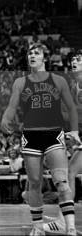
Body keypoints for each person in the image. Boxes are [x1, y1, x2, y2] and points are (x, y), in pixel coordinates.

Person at [1, 43, 79, 235]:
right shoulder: (20, 82)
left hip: (53, 134)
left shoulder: (58, 80)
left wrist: (75, 131)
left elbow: (71, 108)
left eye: (36, 53)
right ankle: (37, 227)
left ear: (44, 58)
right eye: (30, 53)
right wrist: (6, 118)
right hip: (31, 135)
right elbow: (12, 106)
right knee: (34, 182)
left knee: (62, 181)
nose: (32, 55)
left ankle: (69, 227)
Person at [44, 49, 82, 234]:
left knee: (70, 172)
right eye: (73, 59)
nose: (75, 62)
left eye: (79, 59)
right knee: (70, 172)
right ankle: (64, 219)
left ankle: (63, 221)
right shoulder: (75, 84)